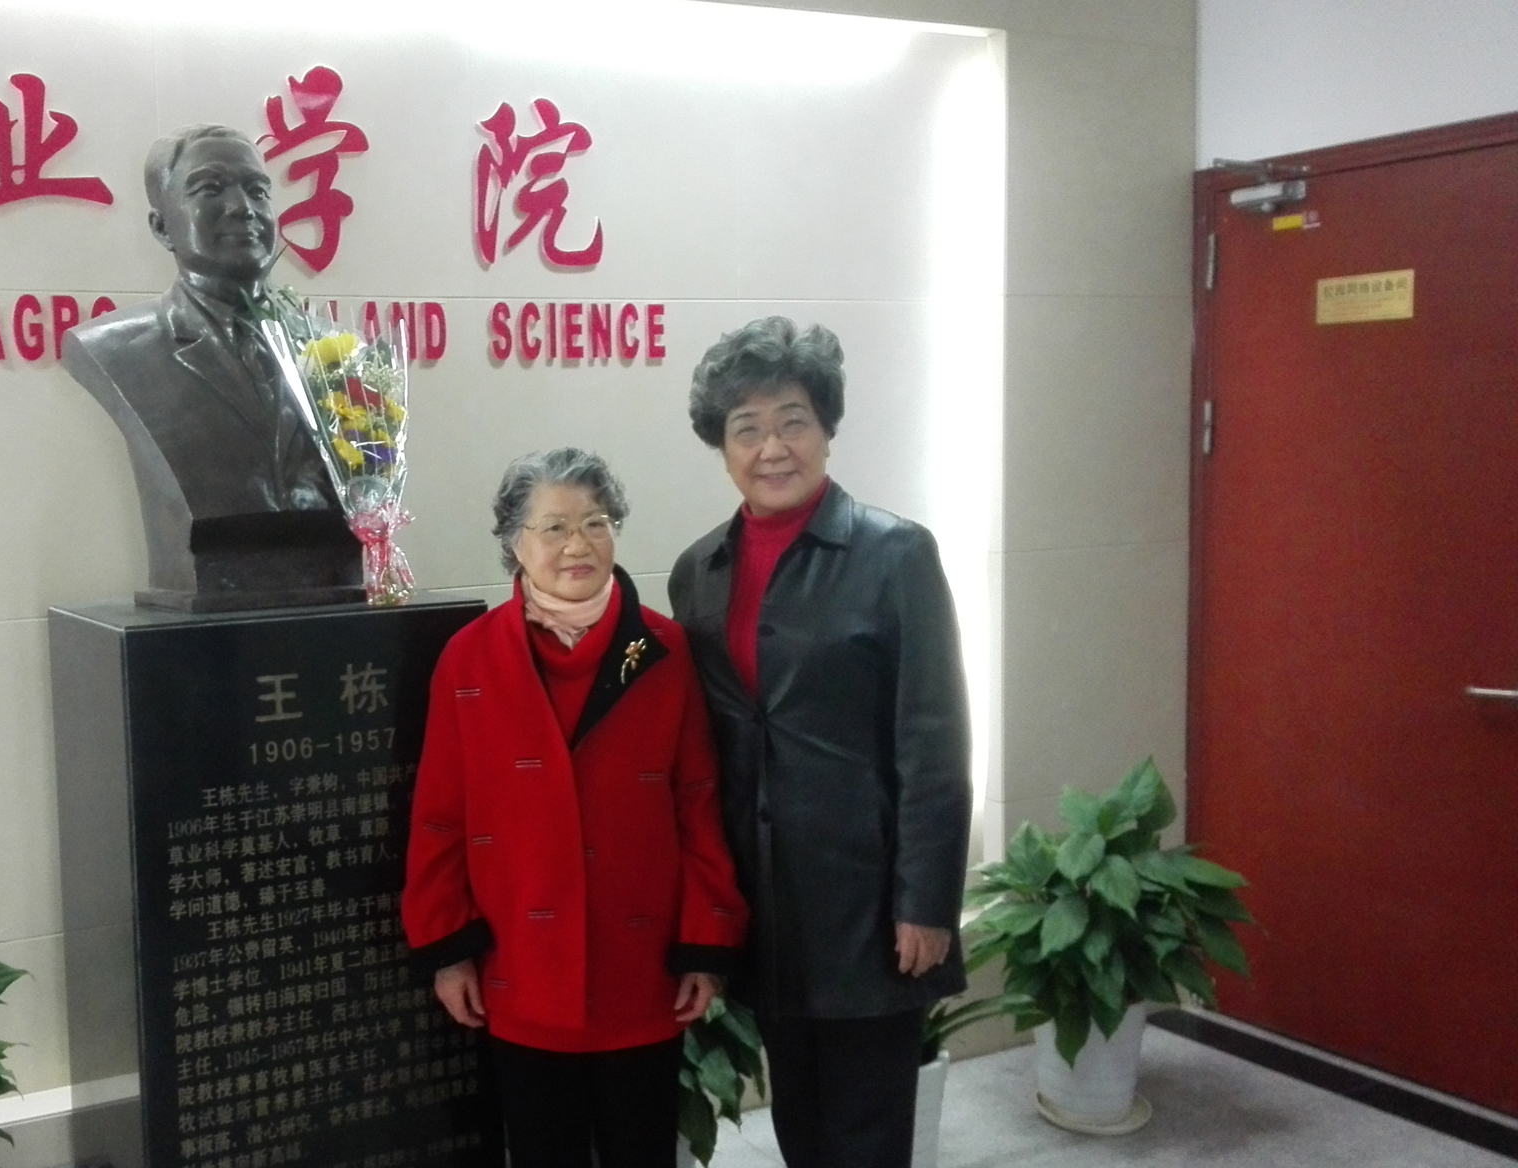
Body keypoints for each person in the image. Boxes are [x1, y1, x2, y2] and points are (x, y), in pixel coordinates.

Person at [667, 318, 972, 1168]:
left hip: (869, 903)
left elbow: (935, 739)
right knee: (799, 1121)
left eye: (793, 421)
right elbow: (689, 725)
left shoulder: (895, 554)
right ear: (721, 447)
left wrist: (925, 901)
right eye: (747, 428)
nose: (772, 448)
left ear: (827, 428)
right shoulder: (699, 570)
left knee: (866, 1131)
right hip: (765, 902)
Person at [403, 448, 750, 1168]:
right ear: (514, 544)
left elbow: (698, 803)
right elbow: (439, 817)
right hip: (518, 968)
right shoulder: (469, 660)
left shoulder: (661, 650)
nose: (577, 545)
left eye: (596, 523)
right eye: (554, 527)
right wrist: (447, 950)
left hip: (642, 969)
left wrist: (706, 941)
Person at [62, 124, 358, 608]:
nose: (243, 207)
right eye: (210, 189)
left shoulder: (337, 350)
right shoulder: (117, 348)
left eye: (257, 190)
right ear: (162, 227)